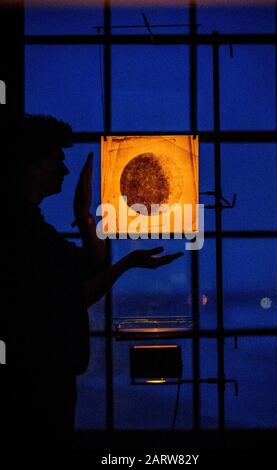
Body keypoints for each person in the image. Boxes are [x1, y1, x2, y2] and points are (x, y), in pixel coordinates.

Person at [0, 115, 183, 449]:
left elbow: (87, 274)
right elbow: (83, 284)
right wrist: (88, 220)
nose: (66, 171)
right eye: (57, 160)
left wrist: (86, 217)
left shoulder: (27, 227)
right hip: (37, 383)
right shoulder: (23, 232)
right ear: (31, 164)